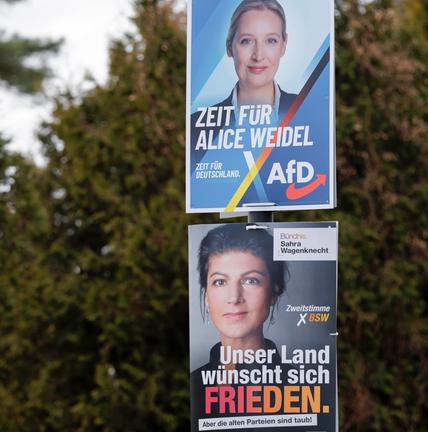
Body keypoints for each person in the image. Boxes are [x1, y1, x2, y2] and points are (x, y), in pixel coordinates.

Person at [190, 0, 298, 204]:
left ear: (284, 45)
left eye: (271, 41)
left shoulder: (305, 113)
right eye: (247, 41)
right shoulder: (198, 127)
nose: (258, 55)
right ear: (230, 47)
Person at [190, 224, 291, 432]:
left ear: (273, 292)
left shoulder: (303, 388)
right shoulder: (192, 385)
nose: (234, 297)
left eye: (250, 280)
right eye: (219, 282)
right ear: (206, 296)